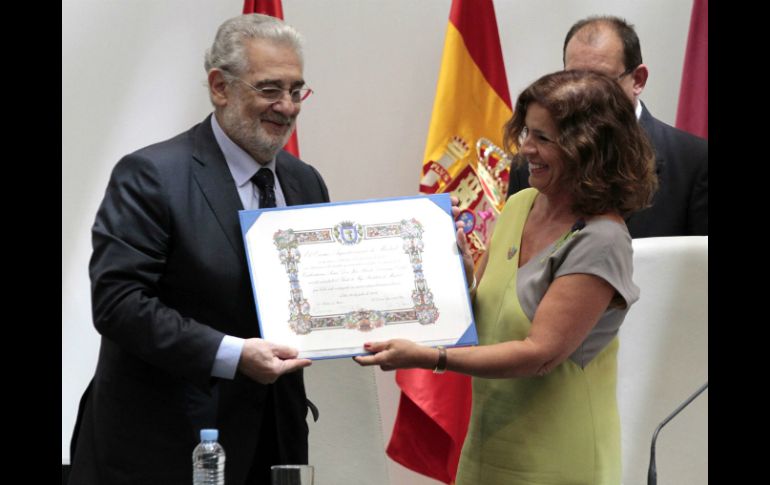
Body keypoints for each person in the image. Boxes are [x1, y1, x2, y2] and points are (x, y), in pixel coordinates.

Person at [356, 70, 657, 484]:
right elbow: (490, 316)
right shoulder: (521, 204)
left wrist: (428, 358)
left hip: (557, 459)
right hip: (487, 448)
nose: (526, 150)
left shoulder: (601, 240)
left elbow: (538, 354)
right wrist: (460, 280)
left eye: (543, 139)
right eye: (527, 133)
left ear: (589, 148)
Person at [68, 14, 329, 485]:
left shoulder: (304, 181)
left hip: (276, 442)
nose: (287, 107)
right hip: (165, 447)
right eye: (270, 89)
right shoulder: (151, 175)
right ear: (219, 87)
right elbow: (118, 304)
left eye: (297, 90)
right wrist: (233, 354)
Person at [506, 15, 707, 238]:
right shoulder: (529, 165)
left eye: (599, 81)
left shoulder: (695, 162)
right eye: (573, 78)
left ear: (638, 79)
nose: (584, 95)